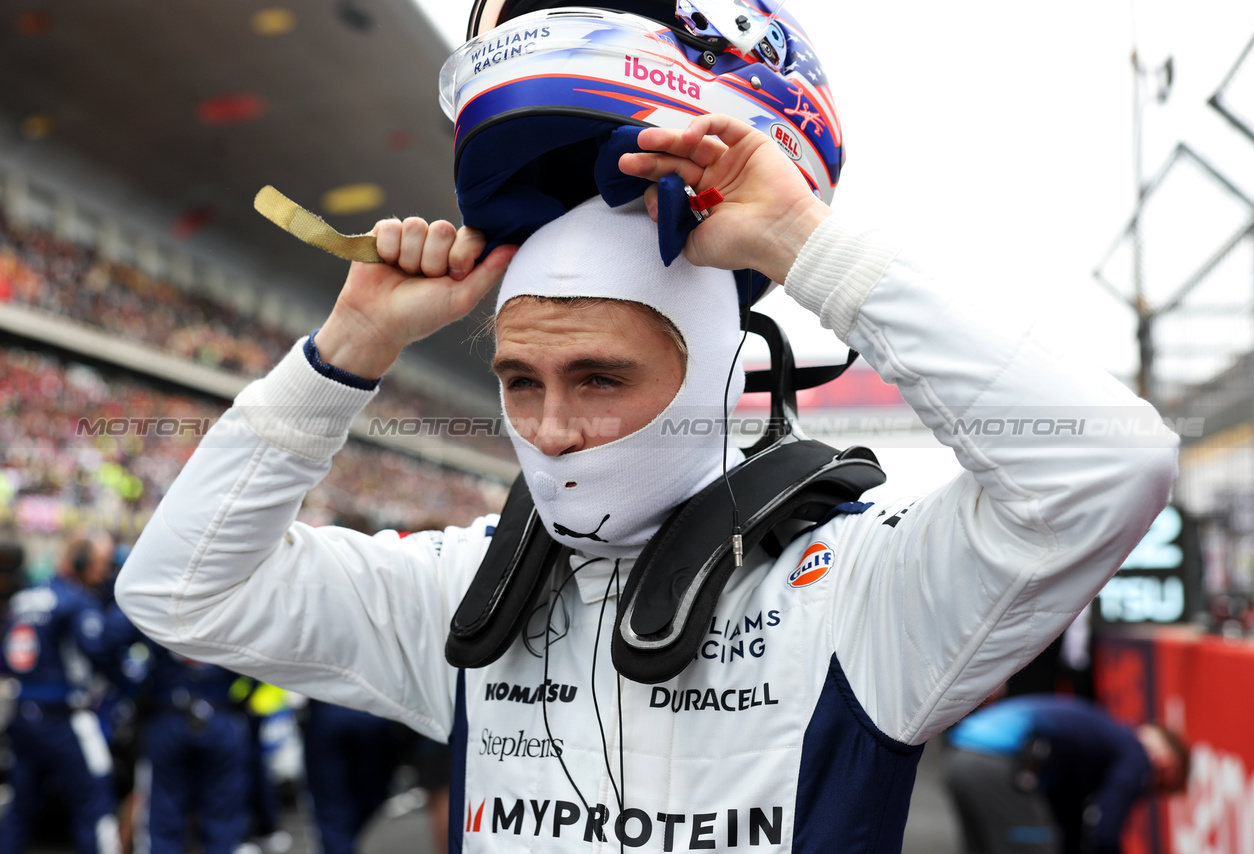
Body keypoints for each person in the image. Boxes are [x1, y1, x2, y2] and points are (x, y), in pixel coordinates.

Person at [115, 110, 1178, 852]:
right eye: (518, 380)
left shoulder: (861, 587)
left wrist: (806, 247)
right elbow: (179, 589)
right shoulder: (459, 588)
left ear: (718, 379)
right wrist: (347, 343)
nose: (556, 427)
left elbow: (1103, 462)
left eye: (599, 375)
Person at [944, 695, 1189, 854]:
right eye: (1159, 785)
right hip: (999, 761)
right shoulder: (1136, 754)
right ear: (1164, 761)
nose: (1147, 790)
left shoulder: (1102, 740)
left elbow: (1066, 816)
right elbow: (1106, 832)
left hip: (960, 754)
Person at [0, 531, 120, 854]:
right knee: (95, 802)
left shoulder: (23, 599)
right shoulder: (75, 601)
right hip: (65, 718)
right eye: (99, 564)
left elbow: (7, 659)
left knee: (20, 808)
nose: (104, 573)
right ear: (79, 561)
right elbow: (100, 651)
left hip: (24, 716)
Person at [101, 606, 253, 854]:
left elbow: (109, 639)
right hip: (218, 711)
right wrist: (242, 692)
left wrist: (133, 685)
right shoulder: (230, 589)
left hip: (169, 710)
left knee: (165, 817)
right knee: (221, 819)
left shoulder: (162, 591)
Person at [301, 700, 403, 854]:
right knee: (337, 805)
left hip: (347, 714)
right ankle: (341, 842)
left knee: (339, 805)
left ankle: (341, 842)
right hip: (366, 713)